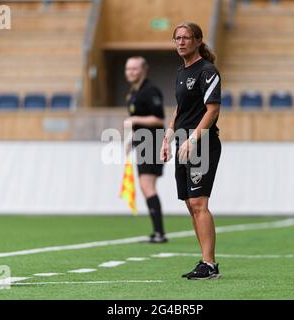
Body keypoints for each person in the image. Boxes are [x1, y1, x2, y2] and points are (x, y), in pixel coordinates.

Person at [161, 22, 222, 279]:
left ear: (198, 41)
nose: (181, 42)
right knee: (189, 203)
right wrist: (168, 135)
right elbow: (180, 109)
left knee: (199, 202)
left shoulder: (207, 71)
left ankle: (210, 264)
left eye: (186, 38)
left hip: (202, 143)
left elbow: (213, 109)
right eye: (177, 38)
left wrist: (194, 138)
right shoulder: (179, 73)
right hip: (182, 143)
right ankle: (205, 262)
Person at [124, 56, 168, 244]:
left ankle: (159, 233)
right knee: (146, 187)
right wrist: (130, 140)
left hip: (153, 142)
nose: (131, 72)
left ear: (144, 70)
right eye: (128, 69)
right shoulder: (133, 92)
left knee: (147, 185)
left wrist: (135, 120)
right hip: (143, 143)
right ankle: (158, 232)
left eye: (135, 69)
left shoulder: (151, 91)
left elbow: (159, 119)